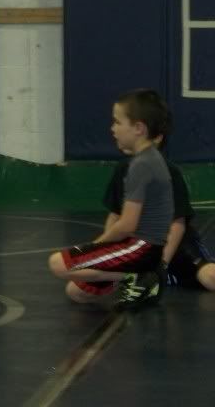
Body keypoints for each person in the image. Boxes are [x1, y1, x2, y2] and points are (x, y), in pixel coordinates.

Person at [48, 89, 173, 310]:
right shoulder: (149, 159)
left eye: (117, 122)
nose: (112, 129)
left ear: (138, 128)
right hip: (144, 247)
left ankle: (141, 276)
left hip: (141, 248)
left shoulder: (142, 164)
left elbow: (127, 225)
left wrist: (97, 245)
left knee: (58, 263)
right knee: (76, 292)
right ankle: (132, 276)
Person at [104, 138, 215, 291]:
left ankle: (165, 274)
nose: (114, 129)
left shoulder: (169, 172)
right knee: (81, 286)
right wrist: (104, 252)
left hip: (176, 247)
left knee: (209, 277)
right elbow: (115, 215)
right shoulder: (123, 169)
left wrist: (161, 265)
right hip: (140, 247)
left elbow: (177, 225)